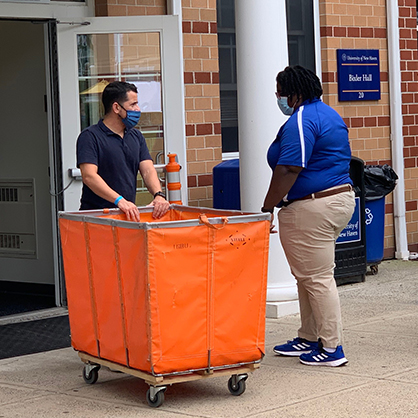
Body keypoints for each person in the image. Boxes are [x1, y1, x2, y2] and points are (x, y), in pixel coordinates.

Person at [262, 65, 355, 367]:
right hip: (334, 201)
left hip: (312, 206)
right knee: (307, 275)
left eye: (280, 92)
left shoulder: (302, 120)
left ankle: (331, 348)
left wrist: (268, 206)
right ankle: (308, 336)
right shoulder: (328, 114)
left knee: (316, 278)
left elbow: (289, 167)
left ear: (295, 93)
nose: (278, 97)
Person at [76, 81, 170, 221]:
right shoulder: (90, 136)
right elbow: (89, 176)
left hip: (126, 216)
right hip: (97, 218)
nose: (138, 109)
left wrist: (158, 195)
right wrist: (119, 200)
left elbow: (148, 170)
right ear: (116, 107)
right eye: (133, 104)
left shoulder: (136, 136)